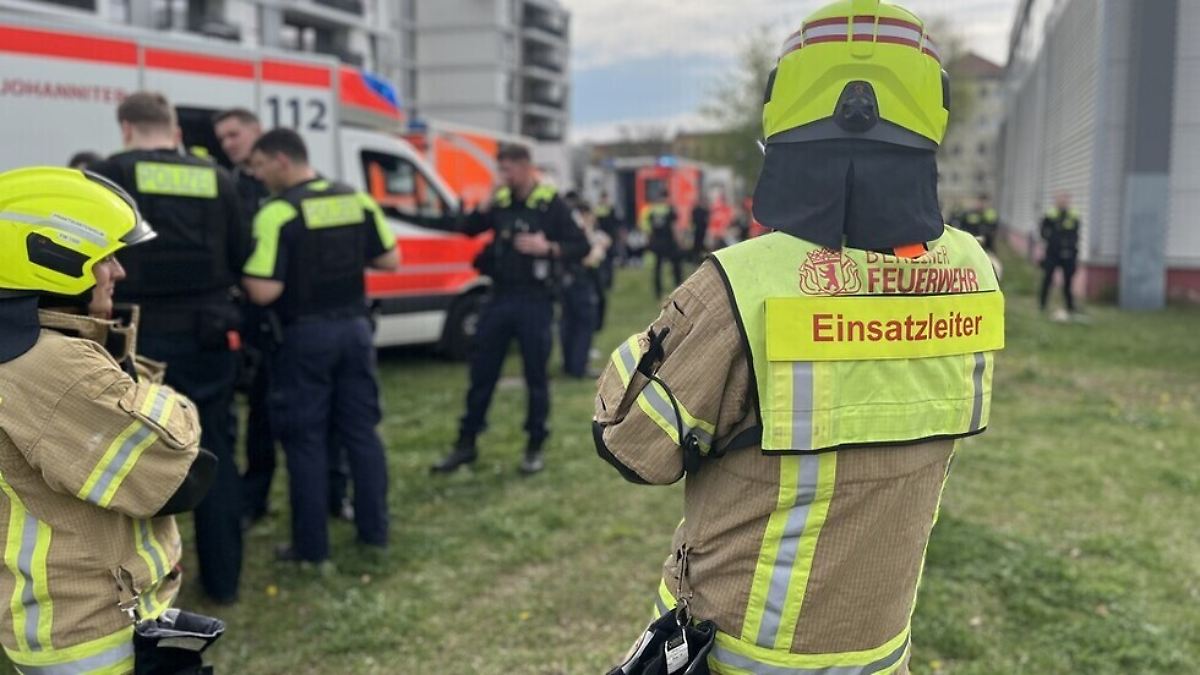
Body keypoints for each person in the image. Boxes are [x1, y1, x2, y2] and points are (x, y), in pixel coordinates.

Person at [593, 2, 1005, 673]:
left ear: (782, 110)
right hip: (879, 653)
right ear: (933, 112)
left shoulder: (742, 284)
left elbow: (633, 446)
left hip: (733, 653)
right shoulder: (974, 273)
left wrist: (653, 344)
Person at [0, 167, 216, 673]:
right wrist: (167, 401)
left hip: (55, 621)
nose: (118, 272)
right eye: (106, 258)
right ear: (52, 260)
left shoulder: (23, 353)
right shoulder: (51, 368)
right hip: (95, 633)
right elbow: (179, 474)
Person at [90, 91, 249, 604]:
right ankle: (224, 581)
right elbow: (241, 255)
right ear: (175, 129)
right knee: (215, 448)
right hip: (210, 333)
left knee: (134, 460)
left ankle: (143, 586)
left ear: (126, 128)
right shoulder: (219, 178)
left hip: (137, 336)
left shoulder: (110, 174)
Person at [241, 128, 396, 563]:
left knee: (305, 440)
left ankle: (311, 549)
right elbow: (390, 259)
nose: (257, 175)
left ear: (282, 161)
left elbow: (264, 292)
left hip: (305, 337)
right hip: (356, 330)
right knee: (361, 433)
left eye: (260, 165)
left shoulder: (277, 211)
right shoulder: (356, 198)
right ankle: (375, 532)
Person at [430, 144, 589, 476]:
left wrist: (548, 247)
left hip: (535, 300)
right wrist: (487, 199)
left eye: (509, 169)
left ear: (526, 167)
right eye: (500, 169)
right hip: (499, 297)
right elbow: (467, 227)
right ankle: (466, 443)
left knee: (535, 377)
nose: (504, 176)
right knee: (481, 373)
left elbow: (581, 245)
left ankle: (534, 445)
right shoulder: (500, 202)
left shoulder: (550, 203)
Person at [560, 201, 611, 379]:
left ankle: (569, 364)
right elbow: (588, 258)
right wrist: (597, 251)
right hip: (581, 280)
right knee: (583, 325)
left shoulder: (567, 228)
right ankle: (579, 366)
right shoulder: (580, 230)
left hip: (567, 281)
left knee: (568, 323)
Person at [1039, 193, 1081, 320]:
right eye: (1060, 200)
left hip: (1069, 253)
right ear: (1056, 201)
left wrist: (1069, 246)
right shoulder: (1050, 215)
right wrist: (1052, 240)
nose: (1063, 202)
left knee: (1068, 281)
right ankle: (1042, 304)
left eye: (1065, 200)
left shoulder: (1073, 215)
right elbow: (1043, 232)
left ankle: (1070, 306)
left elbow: (1076, 233)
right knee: (1047, 278)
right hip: (1053, 253)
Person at [639, 191, 683, 297]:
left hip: (656, 242)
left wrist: (649, 239)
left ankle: (658, 291)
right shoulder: (669, 209)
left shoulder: (652, 210)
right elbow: (673, 226)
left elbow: (646, 226)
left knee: (658, 267)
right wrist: (679, 240)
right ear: (666, 198)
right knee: (676, 264)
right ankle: (678, 285)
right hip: (669, 241)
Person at [691, 195, 711, 262]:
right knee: (698, 246)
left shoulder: (704, 210)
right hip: (698, 231)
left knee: (700, 246)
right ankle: (697, 258)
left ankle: (699, 258)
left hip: (702, 231)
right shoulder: (697, 210)